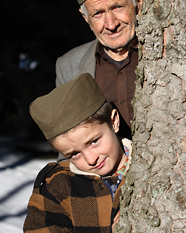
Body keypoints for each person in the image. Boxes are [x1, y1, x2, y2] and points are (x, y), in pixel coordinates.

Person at [23, 73, 132, 233]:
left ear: (113, 121)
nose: (91, 159)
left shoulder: (154, 168)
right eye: (74, 154)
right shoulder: (57, 186)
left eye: (94, 141)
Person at [56, 0, 143, 145]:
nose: (111, 24)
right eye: (98, 14)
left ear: (138, 3)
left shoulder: (169, 51)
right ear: (86, 18)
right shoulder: (68, 66)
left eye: (117, 7)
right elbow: (68, 141)